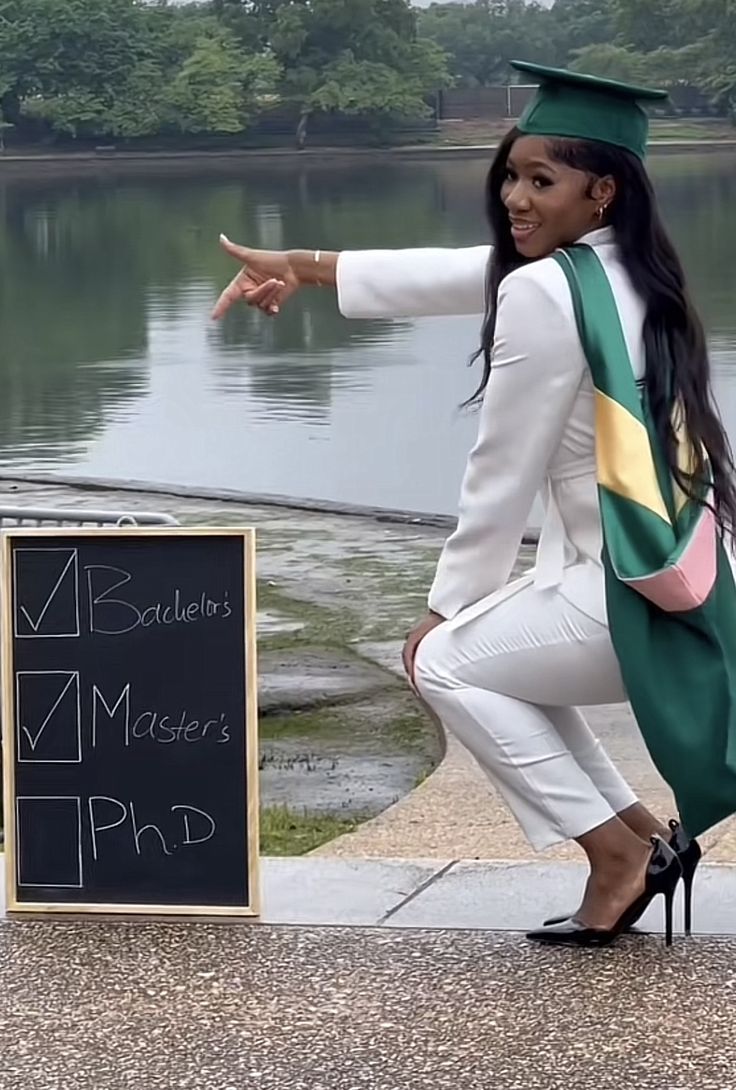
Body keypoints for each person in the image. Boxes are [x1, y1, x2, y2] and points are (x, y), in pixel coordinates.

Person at [212, 61, 736, 947]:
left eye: (541, 181)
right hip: (687, 576)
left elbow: (499, 473)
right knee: (504, 661)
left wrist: (442, 610)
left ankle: (613, 853)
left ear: (601, 190)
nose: (513, 198)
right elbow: (464, 272)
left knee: (447, 663)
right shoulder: (639, 274)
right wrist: (301, 267)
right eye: (510, 175)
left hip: (621, 595)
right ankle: (642, 835)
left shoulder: (545, 289)